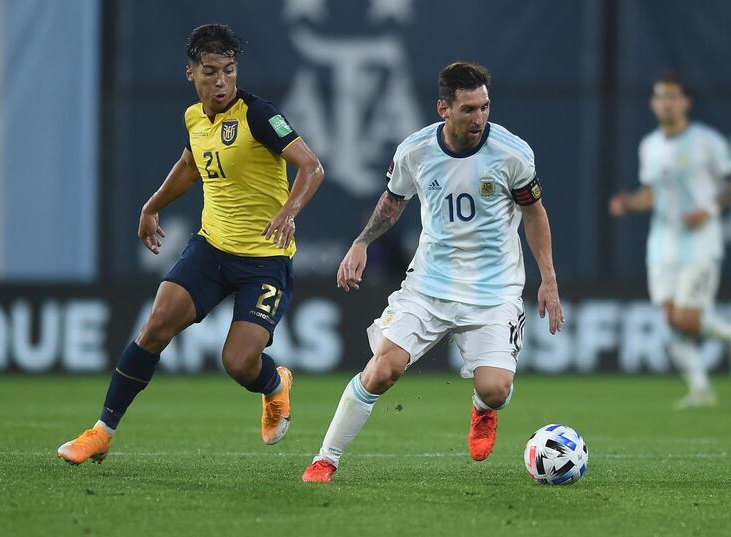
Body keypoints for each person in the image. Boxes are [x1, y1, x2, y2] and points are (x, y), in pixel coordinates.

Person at [58, 24, 324, 464]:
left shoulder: (259, 115)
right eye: (211, 72)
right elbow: (190, 164)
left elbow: (311, 167)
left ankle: (274, 384)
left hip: (264, 259)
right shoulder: (194, 119)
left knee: (238, 362)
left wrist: (289, 211)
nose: (221, 82)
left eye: (229, 71)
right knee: (153, 328)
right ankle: (101, 432)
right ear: (190, 74)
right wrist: (151, 205)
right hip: (212, 249)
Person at [302, 62, 564, 483]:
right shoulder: (416, 151)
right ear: (444, 107)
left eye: (484, 107)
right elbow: (392, 202)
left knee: (496, 389)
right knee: (381, 371)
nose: (479, 118)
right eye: (468, 109)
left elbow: (534, 214)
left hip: (494, 291)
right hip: (429, 285)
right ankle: (325, 459)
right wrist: (361, 242)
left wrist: (548, 279)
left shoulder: (513, 153)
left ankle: (483, 410)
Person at [609, 72, 731, 409]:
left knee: (686, 320)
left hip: (700, 242)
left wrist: (710, 209)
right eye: (660, 97)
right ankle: (701, 389)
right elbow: (652, 195)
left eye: (673, 96)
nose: (666, 103)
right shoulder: (650, 145)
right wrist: (629, 203)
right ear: (652, 104)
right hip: (662, 244)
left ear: (685, 102)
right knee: (672, 320)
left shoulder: (706, 140)